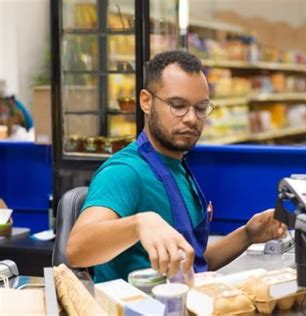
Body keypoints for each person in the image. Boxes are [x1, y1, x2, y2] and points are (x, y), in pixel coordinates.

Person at [67, 50, 287, 283]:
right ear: (146, 102)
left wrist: (248, 234)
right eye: (178, 105)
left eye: (200, 108)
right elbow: (77, 249)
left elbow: (194, 264)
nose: (191, 118)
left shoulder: (178, 167)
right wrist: (139, 224)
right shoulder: (125, 172)